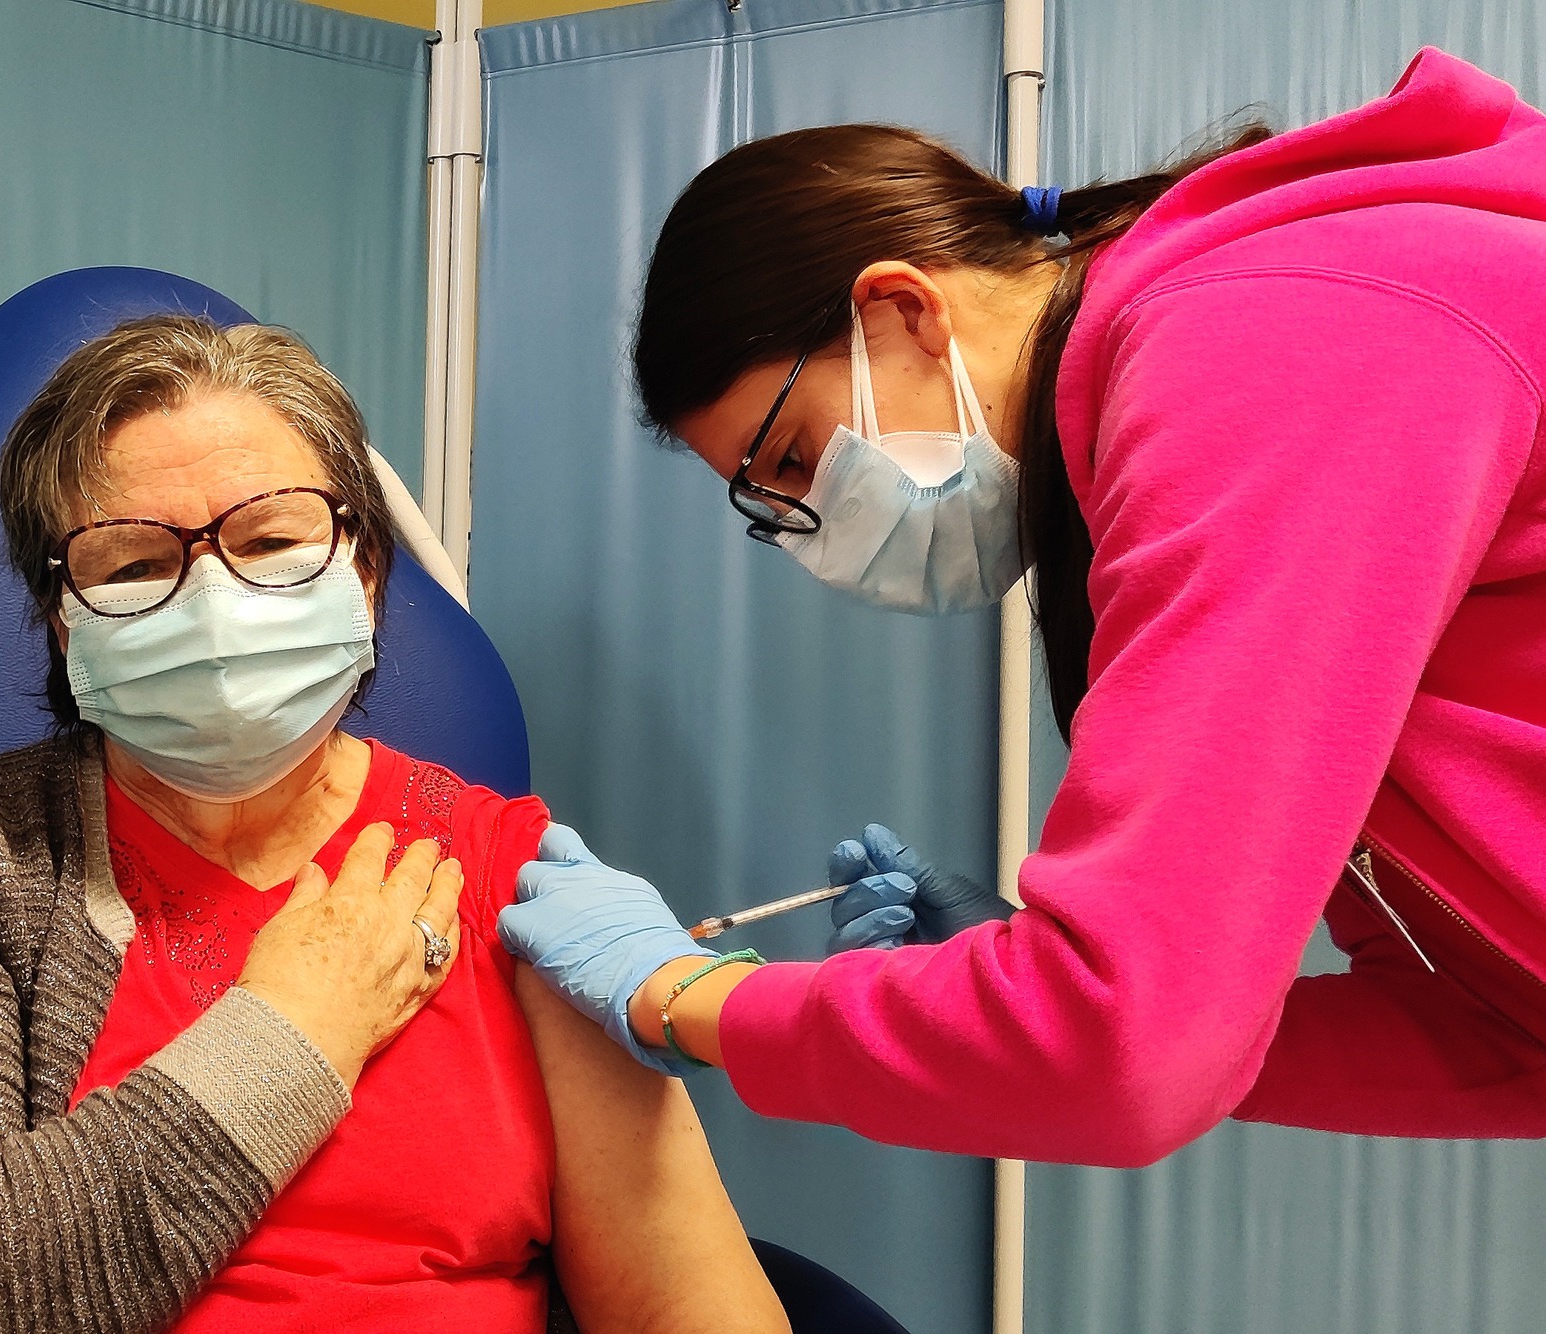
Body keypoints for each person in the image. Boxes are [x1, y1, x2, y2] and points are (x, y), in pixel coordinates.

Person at [498, 47, 1546, 1165]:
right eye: (776, 508)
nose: (819, 531)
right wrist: (1008, 1000)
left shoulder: (1258, 347)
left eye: (795, 455)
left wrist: (684, 996)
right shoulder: (1205, 393)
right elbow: (1502, 1028)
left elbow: (1121, 1056)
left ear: (902, 308)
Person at [0, 315, 788, 1334]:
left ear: (362, 569)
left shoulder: (508, 872)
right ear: (61, 616)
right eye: (131, 562)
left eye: (269, 540)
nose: (214, 603)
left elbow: (689, 1307)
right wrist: (297, 1030)